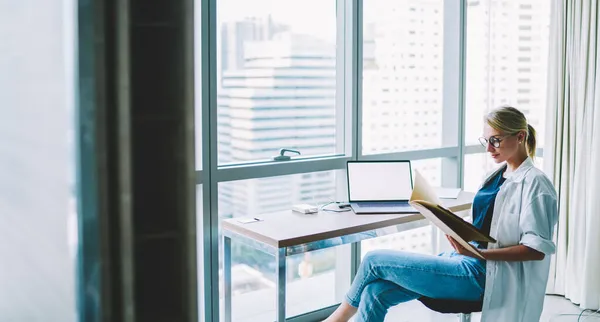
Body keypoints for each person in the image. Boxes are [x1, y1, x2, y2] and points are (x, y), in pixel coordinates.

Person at [323, 106, 558, 322]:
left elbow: (536, 250)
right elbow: (490, 225)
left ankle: (335, 320)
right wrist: (455, 225)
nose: (488, 148)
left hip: (484, 274)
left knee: (373, 260)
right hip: (465, 260)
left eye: (495, 140)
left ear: (520, 137)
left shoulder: (536, 184)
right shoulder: (498, 175)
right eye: (486, 140)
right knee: (376, 293)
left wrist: (478, 254)